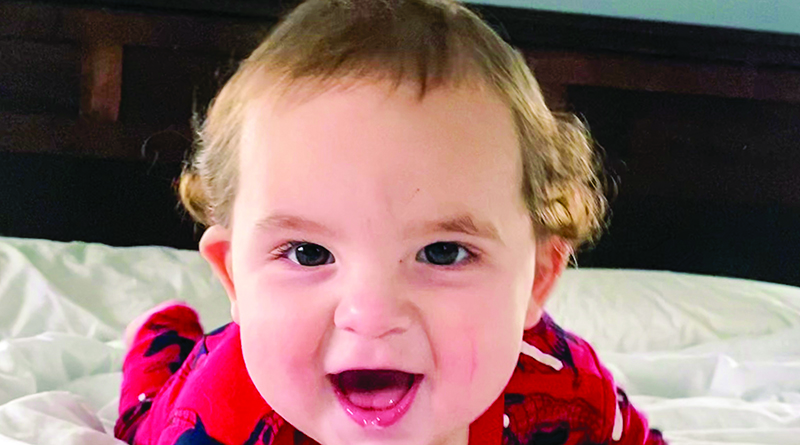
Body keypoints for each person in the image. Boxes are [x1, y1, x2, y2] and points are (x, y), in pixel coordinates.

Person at [115, 0, 667, 444]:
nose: (372, 316)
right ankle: (161, 332)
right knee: (143, 412)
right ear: (234, 276)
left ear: (538, 278)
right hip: (198, 381)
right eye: (308, 253)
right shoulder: (214, 421)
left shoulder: (565, 392)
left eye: (444, 252)